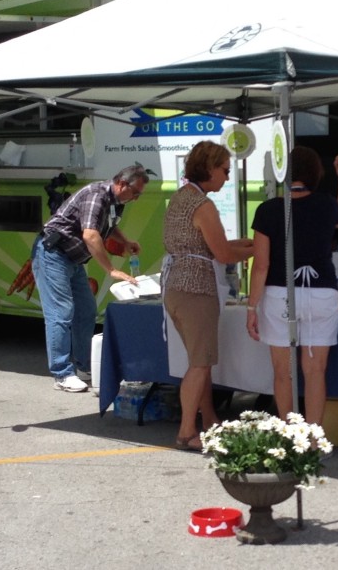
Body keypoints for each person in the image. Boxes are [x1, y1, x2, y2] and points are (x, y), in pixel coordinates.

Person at [246, 147, 338, 426]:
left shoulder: (268, 210)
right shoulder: (327, 204)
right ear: (315, 174)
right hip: (321, 294)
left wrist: (251, 305)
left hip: (279, 295)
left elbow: (261, 265)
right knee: (315, 371)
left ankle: (291, 435)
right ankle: (314, 440)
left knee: (283, 372)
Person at [162, 141, 254, 451]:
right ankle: (187, 433)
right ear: (210, 168)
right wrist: (261, 248)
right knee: (200, 364)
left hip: (176, 288)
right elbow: (224, 253)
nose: (227, 178)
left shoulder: (181, 198)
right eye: (225, 171)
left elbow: (216, 245)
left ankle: (209, 419)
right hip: (196, 290)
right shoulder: (203, 206)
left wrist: (250, 244)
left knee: (198, 362)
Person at [33, 165, 149, 392]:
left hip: (72, 260)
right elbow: (91, 234)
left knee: (86, 310)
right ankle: (62, 374)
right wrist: (110, 270)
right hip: (53, 254)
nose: (135, 199)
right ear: (122, 184)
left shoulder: (115, 202)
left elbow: (107, 225)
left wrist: (125, 241)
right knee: (61, 312)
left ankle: (85, 367)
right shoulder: (97, 194)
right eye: (135, 192)